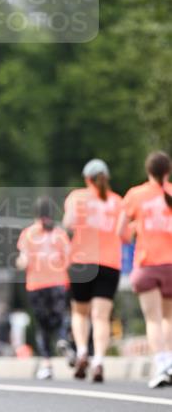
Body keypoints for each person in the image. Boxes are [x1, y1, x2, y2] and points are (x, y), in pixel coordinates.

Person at [64, 159, 123, 383]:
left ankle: (81, 352)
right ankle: (98, 360)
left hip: (82, 261)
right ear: (106, 178)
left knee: (79, 313)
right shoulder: (117, 201)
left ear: (87, 178)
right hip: (109, 263)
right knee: (101, 316)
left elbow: (68, 223)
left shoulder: (77, 197)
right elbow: (125, 234)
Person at [119, 151, 172, 388]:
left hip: (147, 265)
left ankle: (161, 364)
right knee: (170, 317)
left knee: (153, 319)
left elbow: (121, 233)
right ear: (167, 171)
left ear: (148, 171)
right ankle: (170, 360)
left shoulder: (135, 195)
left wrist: (135, 229)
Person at [16, 197, 71, 380]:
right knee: (60, 316)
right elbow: (69, 259)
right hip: (58, 282)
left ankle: (47, 364)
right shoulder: (60, 234)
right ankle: (63, 339)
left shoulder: (28, 234)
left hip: (36, 284)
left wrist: (19, 264)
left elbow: (24, 261)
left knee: (42, 325)